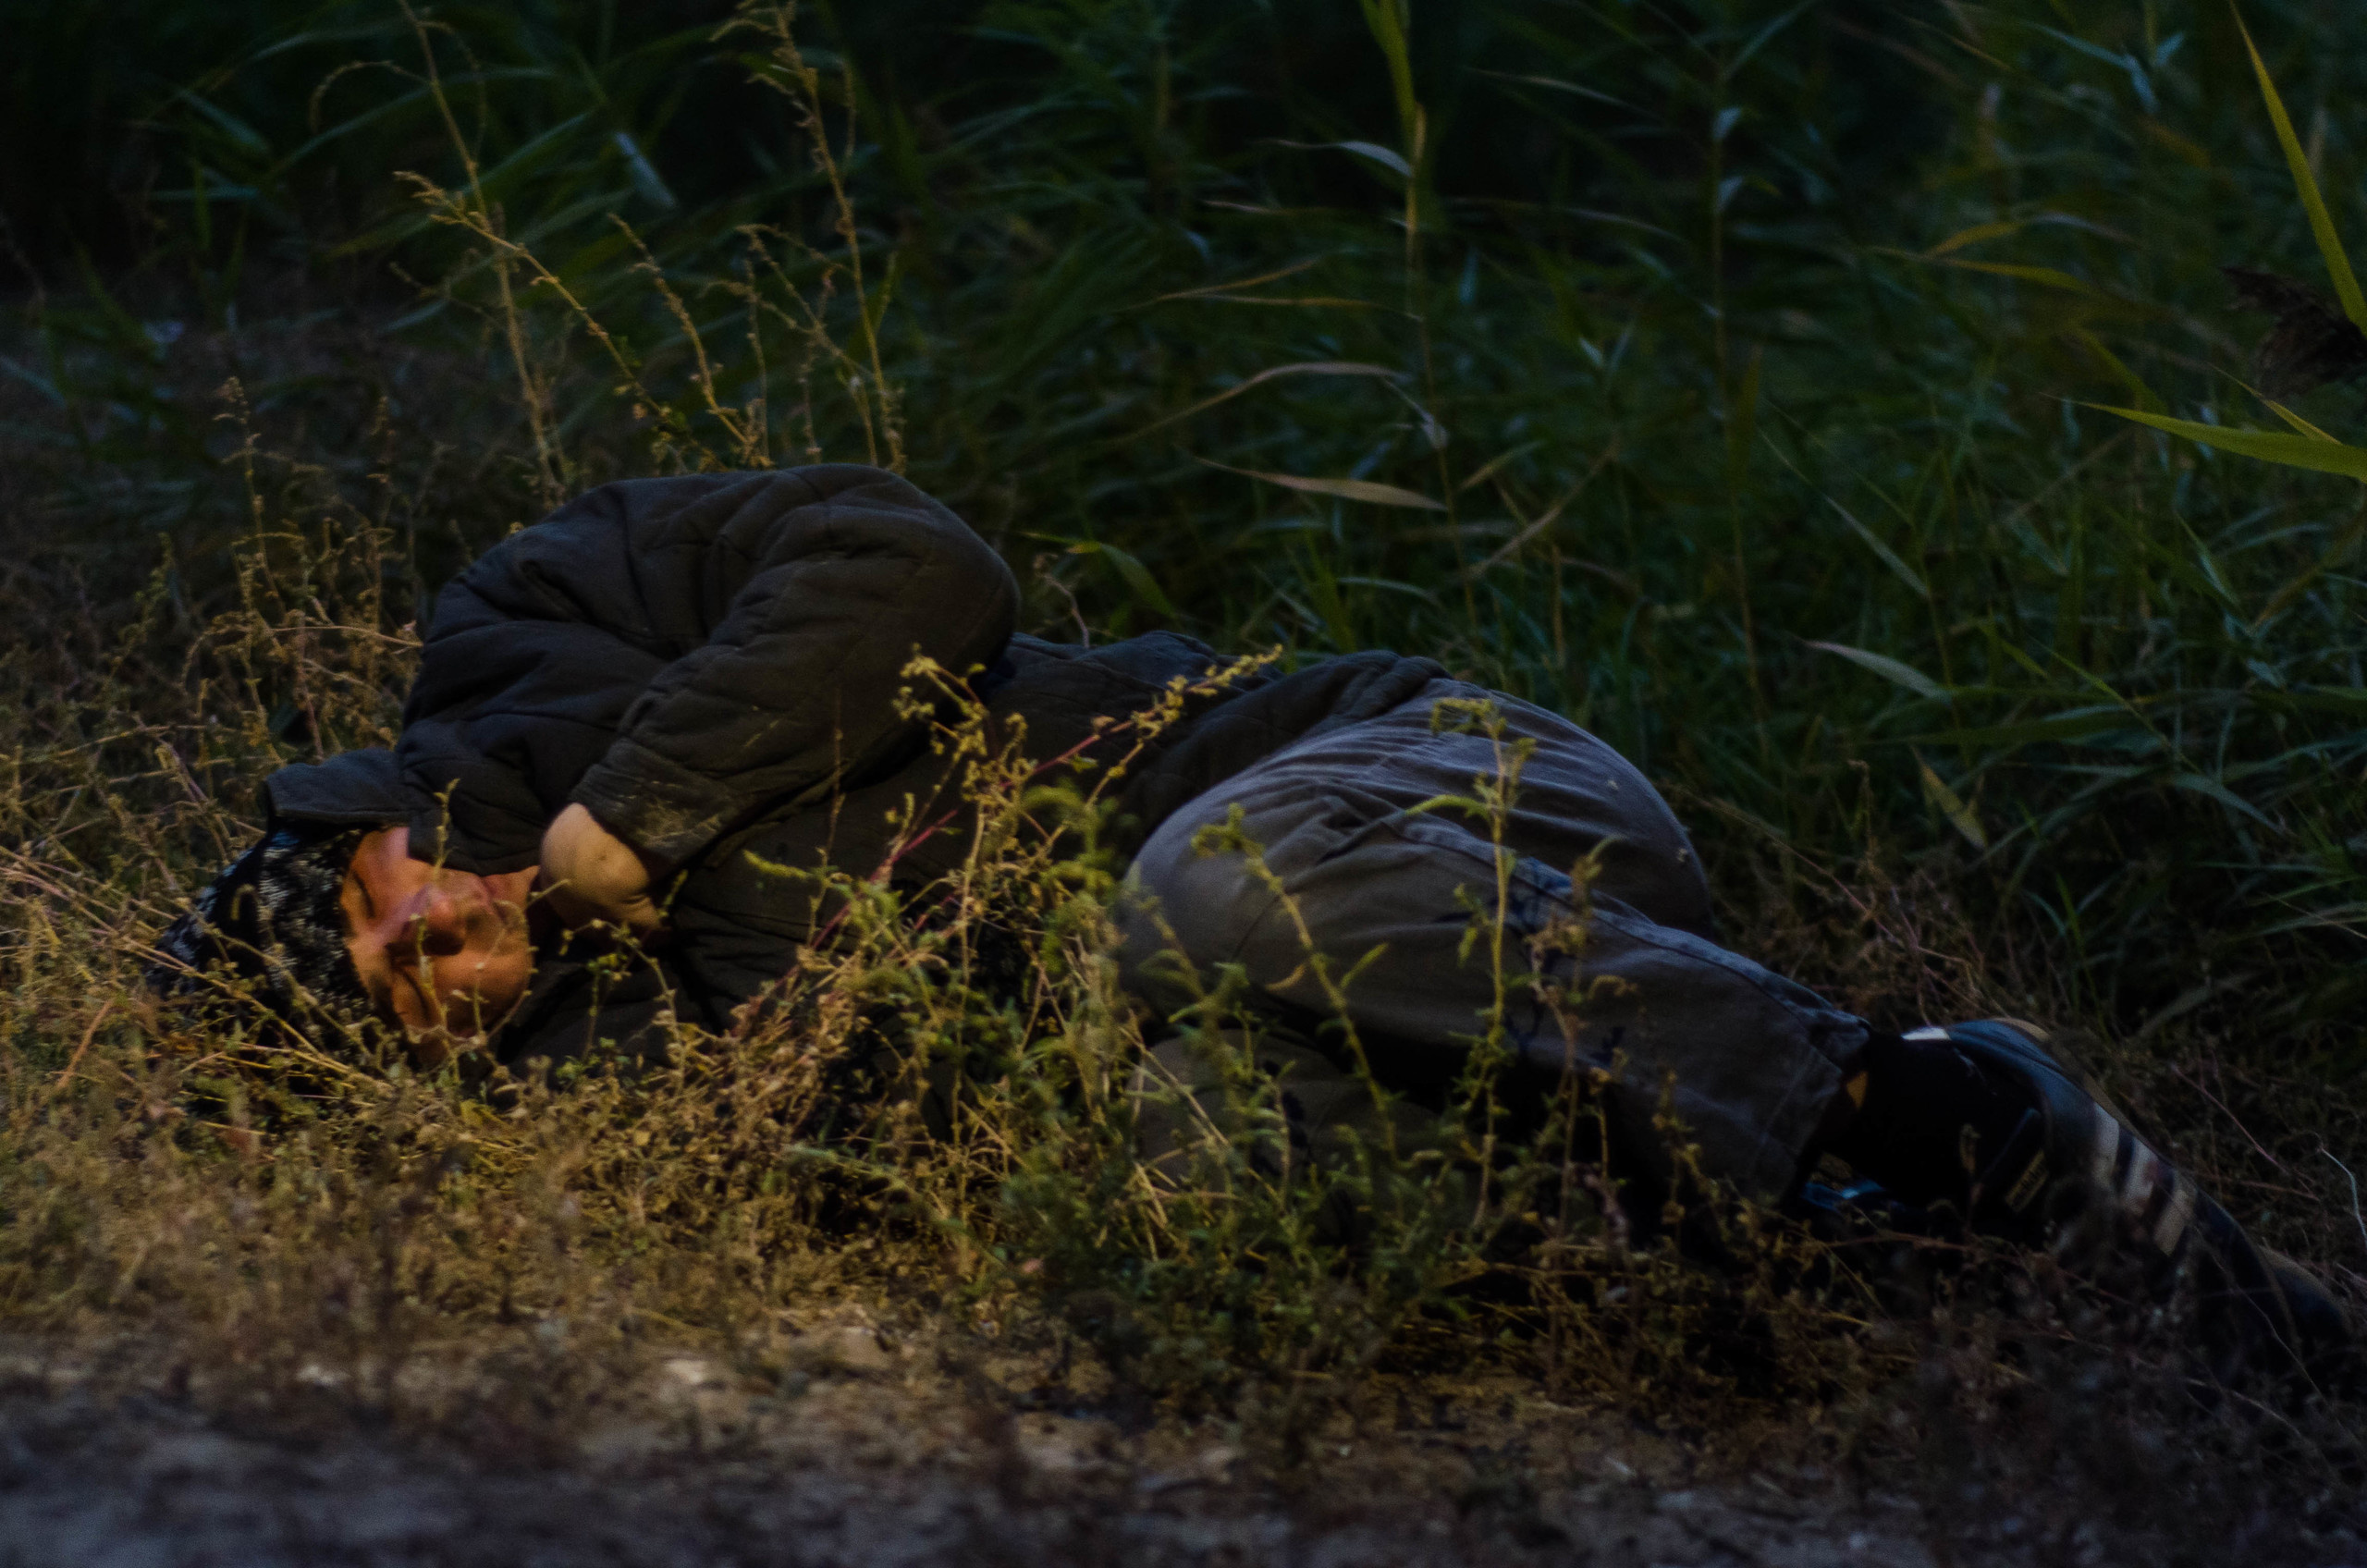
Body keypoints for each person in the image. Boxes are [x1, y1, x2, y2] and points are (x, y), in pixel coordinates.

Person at [148, 464, 2349, 1384]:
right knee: (1192, 1172)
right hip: (1435, 1017)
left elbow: (911, 564)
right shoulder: (625, 1074)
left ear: (358, 832)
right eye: (404, 1010)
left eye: (380, 917)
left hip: (1425, 792)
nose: (433, 955)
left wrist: (629, 815)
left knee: (1202, 881)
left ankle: (1905, 1094)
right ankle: (2052, 1296)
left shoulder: (519, 624)